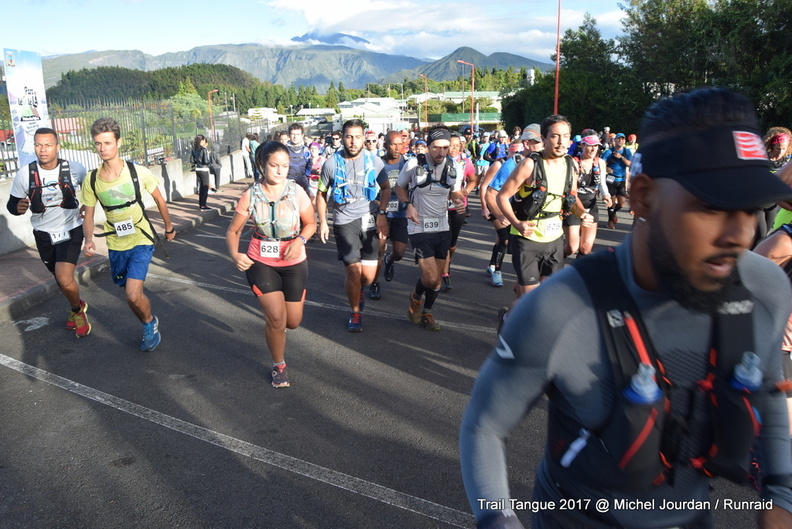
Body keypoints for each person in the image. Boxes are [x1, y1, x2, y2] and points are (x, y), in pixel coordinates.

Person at [460, 87, 792, 529]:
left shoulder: (764, 288)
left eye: (748, 209)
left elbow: (767, 396)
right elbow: (484, 427)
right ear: (642, 197)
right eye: (711, 207)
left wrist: (781, 497)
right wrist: (497, 519)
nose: (740, 235)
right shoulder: (561, 308)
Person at [226, 141, 316, 388]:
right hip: (261, 261)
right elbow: (233, 231)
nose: (280, 171)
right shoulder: (251, 195)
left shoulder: (296, 191)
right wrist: (235, 255)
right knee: (276, 318)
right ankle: (279, 366)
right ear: (262, 165)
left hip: (294, 261)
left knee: (292, 322)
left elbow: (311, 223)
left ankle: (279, 328)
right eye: (274, 165)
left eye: (284, 166)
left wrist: (300, 240)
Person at [81, 117, 176, 351]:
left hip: (141, 238)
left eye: (107, 143)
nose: (102, 148)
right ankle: (146, 321)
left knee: (133, 295)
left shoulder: (137, 172)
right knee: (130, 296)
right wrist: (89, 239)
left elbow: (159, 199)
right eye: (98, 143)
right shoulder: (91, 180)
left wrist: (169, 227)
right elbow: (89, 215)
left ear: (118, 142)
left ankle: (149, 323)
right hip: (116, 243)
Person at [495, 115, 592, 301]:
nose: (561, 142)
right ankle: (509, 316)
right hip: (527, 239)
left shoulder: (570, 164)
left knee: (548, 298)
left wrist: (582, 214)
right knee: (532, 301)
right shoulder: (530, 164)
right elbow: (502, 196)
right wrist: (517, 223)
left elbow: (572, 198)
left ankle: (513, 313)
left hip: (554, 240)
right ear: (544, 139)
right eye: (555, 136)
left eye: (566, 136)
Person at [7, 127, 91, 337]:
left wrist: (87, 206)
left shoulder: (75, 168)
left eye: (47, 145)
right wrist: (17, 208)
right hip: (43, 234)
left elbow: (91, 190)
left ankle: (77, 312)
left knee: (64, 276)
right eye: (38, 145)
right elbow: (12, 204)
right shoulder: (25, 174)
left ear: (57, 147)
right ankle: (77, 304)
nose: (42, 149)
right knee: (60, 279)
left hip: (70, 229)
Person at [316, 119, 390, 332]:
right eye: (349, 136)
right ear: (342, 137)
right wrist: (323, 222)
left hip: (369, 219)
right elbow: (321, 194)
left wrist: (382, 214)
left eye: (357, 137)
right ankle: (355, 312)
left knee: (367, 277)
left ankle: (359, 291)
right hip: (344, 222)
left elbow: (386, 189)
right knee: (353, 272)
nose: (353, 141)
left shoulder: (374, 161)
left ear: (364, 138)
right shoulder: (331, 164)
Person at [394, 127, 465, 331]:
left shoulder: (454, 166)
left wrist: (459, 200)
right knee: (431, 278)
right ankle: (416, 297)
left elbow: (455, 192)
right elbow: (399, 187)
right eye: (436, 148)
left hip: (442, 226)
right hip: (418, 226)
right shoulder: (413, 164)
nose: (441, 152)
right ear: (428, 147)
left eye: (445, 148)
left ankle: (426, 313)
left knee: (437, 280)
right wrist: (407, 205)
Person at [371, 131, 408, 300]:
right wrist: (380, 206)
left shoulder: (407, 165)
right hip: (382, 214)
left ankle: (390, 260)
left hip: (400, 215)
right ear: (385, 145)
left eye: (400, 144)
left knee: (399, 252)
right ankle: (374, 283)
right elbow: (370, 191)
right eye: (393, 144)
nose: (397, 148)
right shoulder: (377, 164)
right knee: (379, 249)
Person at [563, 130, 612, 257]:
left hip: (591, 204)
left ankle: (576, 270)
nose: (593, 149)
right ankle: (552, 262)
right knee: (571, 248)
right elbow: (571, 191)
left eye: (596, 146)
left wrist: (606, 195)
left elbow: (602, 183)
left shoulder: (600, 162)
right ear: (582, 145)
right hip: (574, 205)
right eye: (590, 145)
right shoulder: (573, 162)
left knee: (586, 249)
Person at [602, 132, 633, 229]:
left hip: (621, 180)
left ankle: (614, 213)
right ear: (614, 140)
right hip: (611, 179)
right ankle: (610, 221)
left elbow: (630, 164)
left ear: (624, 141)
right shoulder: (608, 152)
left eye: (622, 139)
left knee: (621, 203)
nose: (620, 140)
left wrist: (621, 157)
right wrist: (606, 168)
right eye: (618, 139)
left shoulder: (627, 152)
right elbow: (601, 163)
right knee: (611, 202)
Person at [191, 135, 211, 210]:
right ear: (202, 141)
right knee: (205, 187)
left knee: (201, 187)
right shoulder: (204, 149)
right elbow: (205, 161)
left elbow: (192, 160)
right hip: (204, 170)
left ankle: (201, 204)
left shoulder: (194, 149)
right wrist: (210, 163)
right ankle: (203, 205)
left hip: (197, 169)